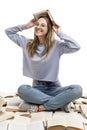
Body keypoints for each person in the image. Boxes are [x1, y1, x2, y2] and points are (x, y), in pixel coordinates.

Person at [5, 10, 82, 113]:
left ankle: (42, 107)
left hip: (54, 87)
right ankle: (60, 103)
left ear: (49, 29)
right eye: (37, 24)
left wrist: (59, 32)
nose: (38, 27)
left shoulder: (57, 45)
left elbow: (76, 46)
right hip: (37, 88)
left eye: (43, 25)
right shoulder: (27, 43)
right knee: (22, 89)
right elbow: (8, 32)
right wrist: (25, 26)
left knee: (78, 89)